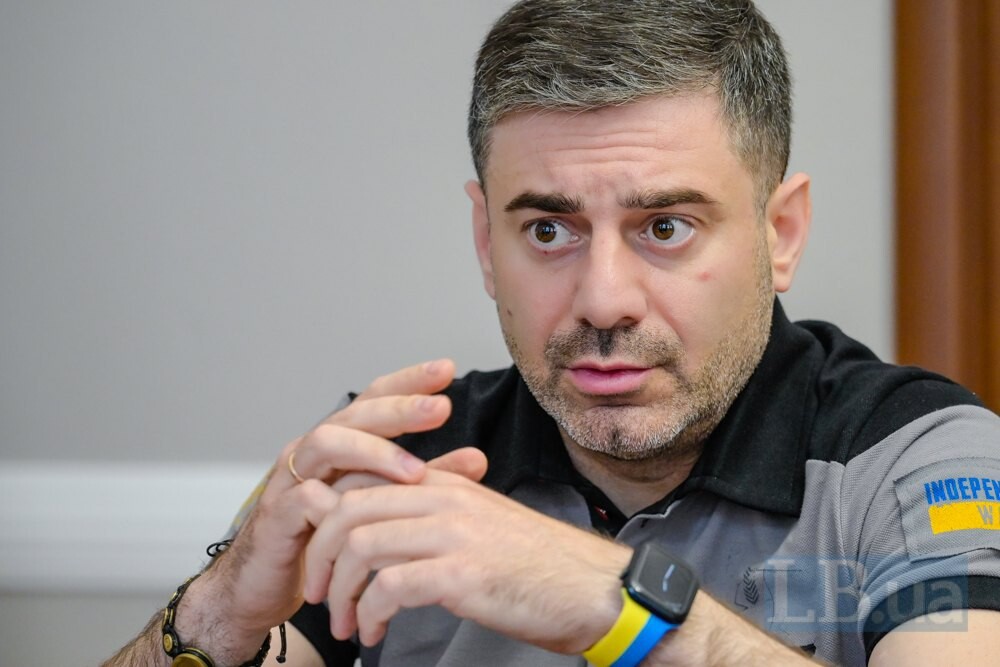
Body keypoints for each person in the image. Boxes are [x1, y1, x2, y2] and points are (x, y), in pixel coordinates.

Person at [104, 1, 1000, 666]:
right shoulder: (408, 459)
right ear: (485, 243)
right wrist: (222, 610)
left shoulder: (913, 457)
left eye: (665, 227)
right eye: (547, 230)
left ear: (781, 233)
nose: (604, 300)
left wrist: (613, 605)